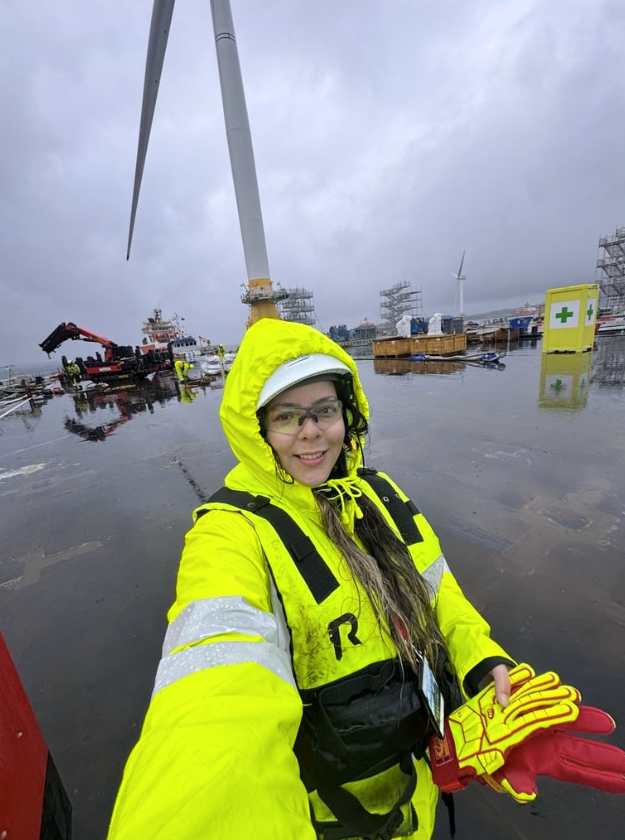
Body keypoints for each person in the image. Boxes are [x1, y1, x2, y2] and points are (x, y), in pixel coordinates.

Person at [107, 319, 625, 840]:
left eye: (324, 411)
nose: (311, 432)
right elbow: (212, 707)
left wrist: (481, 665)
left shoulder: (378, 493)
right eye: (287, 416)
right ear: (256, 429)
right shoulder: (229, 536)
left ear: (347, 414)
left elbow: (438, 590)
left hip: (419, 794)